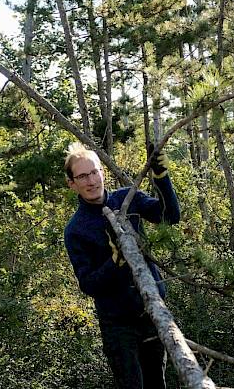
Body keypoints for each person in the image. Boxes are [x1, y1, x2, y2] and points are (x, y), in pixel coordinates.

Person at [63, 142, 179, 388]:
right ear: (72, 183)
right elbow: (88, 284)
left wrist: (161, 177)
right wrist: (115, 261)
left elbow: (170, 217)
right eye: (83, 176)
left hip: (152, 314)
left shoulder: (129, 198)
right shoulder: (76, 229)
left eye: (94, 172)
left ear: (102, 172)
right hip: (118, 326)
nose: (91, 180)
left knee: (157, 383)